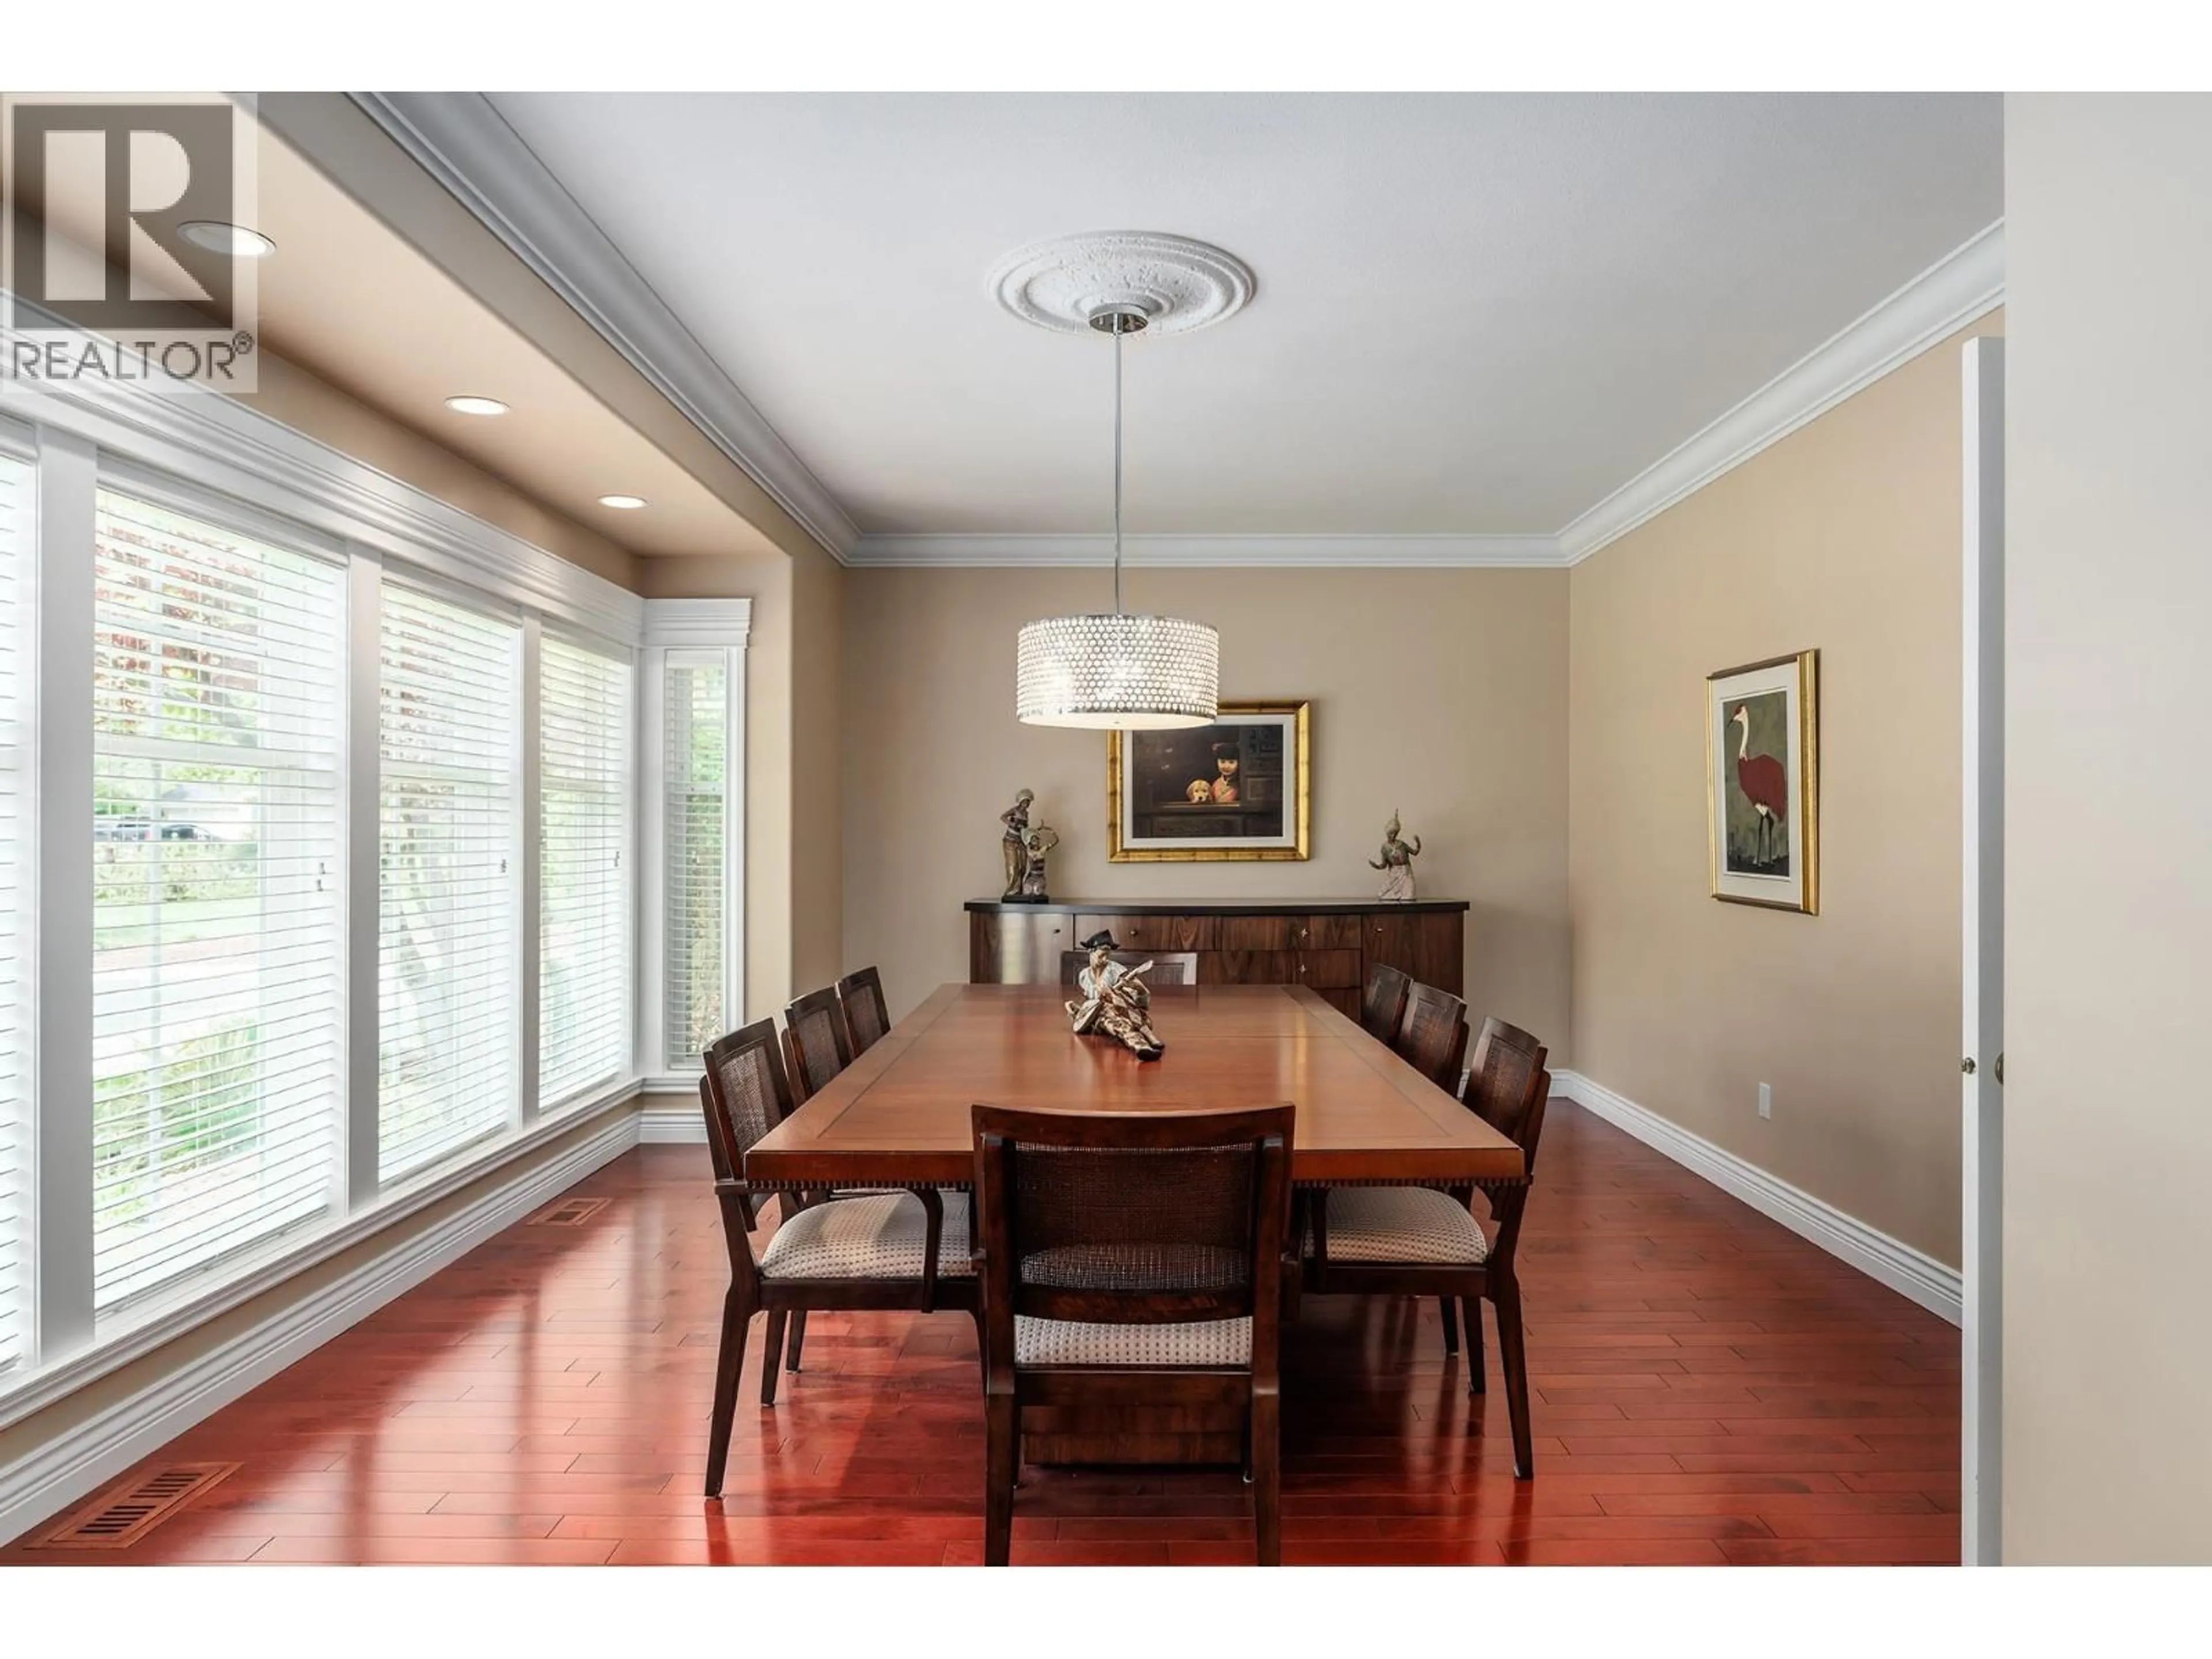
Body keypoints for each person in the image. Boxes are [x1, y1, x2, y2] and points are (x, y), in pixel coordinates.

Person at [999, 789, 1034, 898]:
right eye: (1025, 801)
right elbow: (1003, 817)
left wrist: (1030, 835)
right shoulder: (1015, 811)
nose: (1027, 804)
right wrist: (1012, 824)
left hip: (1021, 842)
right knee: (1013, 866)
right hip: (1010, 842)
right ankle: (1011, 891)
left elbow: (1025, 828)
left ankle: (1019, 890)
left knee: (1023, 867)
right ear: (1021, 801)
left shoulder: (1026, 814)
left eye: (1028, 802)